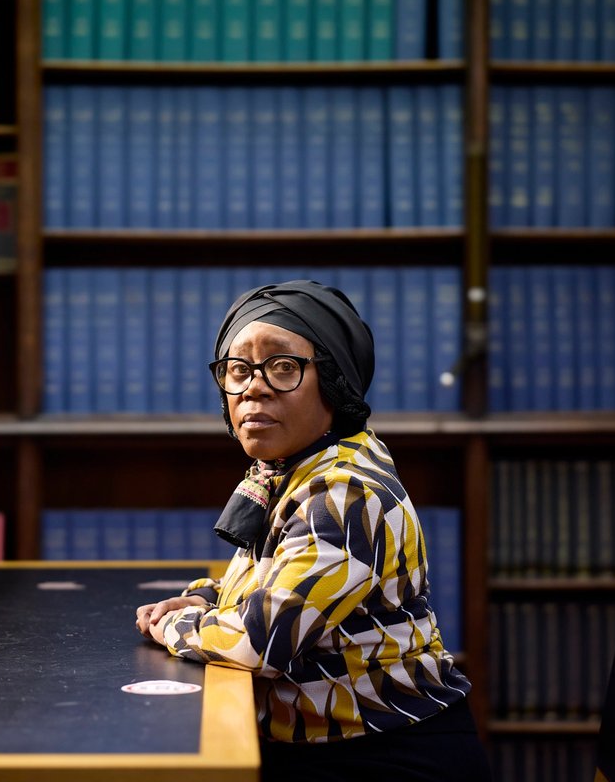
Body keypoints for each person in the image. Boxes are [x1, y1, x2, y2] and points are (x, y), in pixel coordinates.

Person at [134, 280, 491, 782]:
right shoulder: (290, 469)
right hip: (325, 747)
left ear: (334, 382)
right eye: (238, 371)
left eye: (282, 368)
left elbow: (260, 642)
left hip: (386, 756)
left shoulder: (346, 492)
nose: (253, 387)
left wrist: (168, 627)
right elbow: (278, 583)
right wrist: (208, 601)